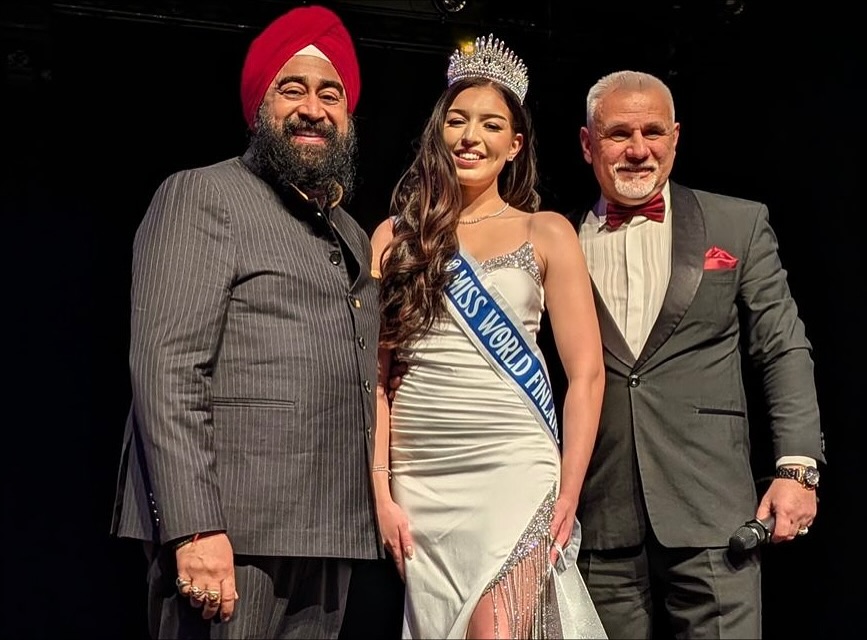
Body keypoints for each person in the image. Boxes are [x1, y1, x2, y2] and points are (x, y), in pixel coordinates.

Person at [110, 6, 389, 639]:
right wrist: (194, 525)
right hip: (229, 535)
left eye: (331, 93)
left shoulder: (348, 232)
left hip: (327, 531)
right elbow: (166, 368)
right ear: (258, 105)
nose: (313, 108)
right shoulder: (203, 194)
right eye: (291, 88)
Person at [571, 69, 826, 638]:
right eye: (619, 134)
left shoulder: (737, 223)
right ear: (588, 143)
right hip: (597, 514)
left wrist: (798, 470)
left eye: (653, 132)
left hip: (714, 512)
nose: (639, 149)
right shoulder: (556, 238)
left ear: (677, 137)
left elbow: (783, 347)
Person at [370, 35, 608, 639]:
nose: (470, 136)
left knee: (495, 630)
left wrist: (568, 494)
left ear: (514, 145)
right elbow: (375, 378)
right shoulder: (394, 238)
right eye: (456, 120)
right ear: (438, 132)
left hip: (514, 465)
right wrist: (380, 488)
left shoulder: (546, 231)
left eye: (491, 125)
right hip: (420, 472)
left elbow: (586, 374)